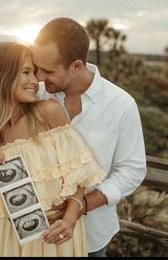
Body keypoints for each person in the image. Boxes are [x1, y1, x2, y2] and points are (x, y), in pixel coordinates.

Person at [0, 41, 105, 257]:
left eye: (34, 72)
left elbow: (79, 178)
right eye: (26, 72)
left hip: (57, 236)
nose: (35, 81)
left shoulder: (49, 112)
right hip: (10, 239)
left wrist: (69, 220)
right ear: (2, 76)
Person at [32, 17, 147, 257]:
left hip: (92, 236)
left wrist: (82, 205)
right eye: (36, 68)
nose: (39, 78)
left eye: (48, 71)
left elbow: (132, 170)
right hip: (37, 235)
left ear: (76, 66)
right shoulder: (35, 96)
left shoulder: (121, 105)